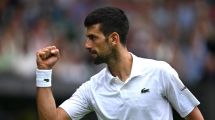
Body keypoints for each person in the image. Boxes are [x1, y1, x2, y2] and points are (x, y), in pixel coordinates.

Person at [35, 7, 204, 120]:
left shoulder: (160, 72)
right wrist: (43, 72)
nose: (87, 45)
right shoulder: (92, 88)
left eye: (93, 38)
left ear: (114, 38)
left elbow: (195, 117)